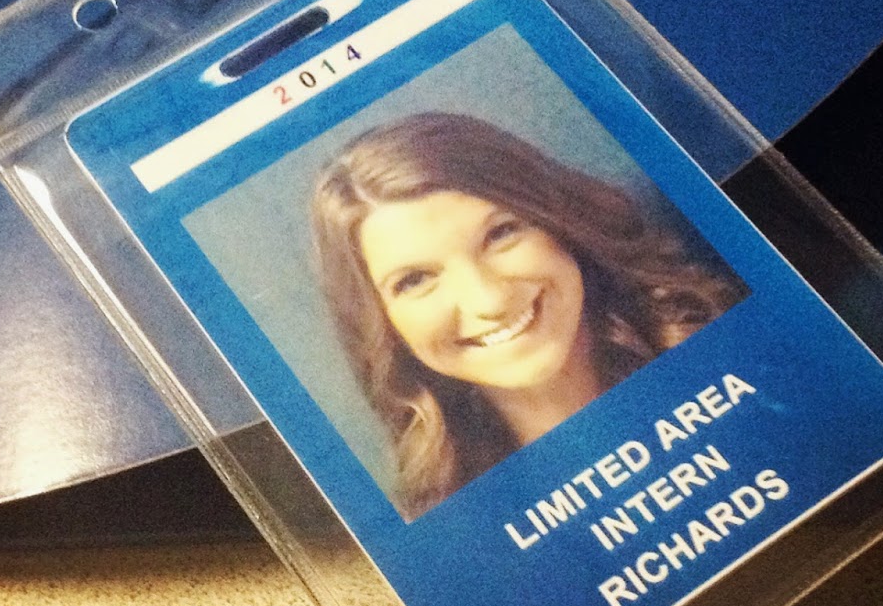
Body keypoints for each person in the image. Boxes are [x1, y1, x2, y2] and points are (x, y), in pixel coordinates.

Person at [310, 111, 747, 517]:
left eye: (501, 234)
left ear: (561, 224)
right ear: (383, 324)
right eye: (415, 280)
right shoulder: (453, 534)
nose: (489, 301)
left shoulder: (738, 353)